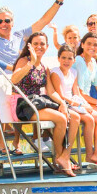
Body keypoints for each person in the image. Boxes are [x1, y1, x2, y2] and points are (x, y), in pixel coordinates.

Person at [11, 32, 77, 177]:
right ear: (30, 46)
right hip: (23, 104)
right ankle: (60, 158)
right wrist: (30, 63)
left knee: (65, 115)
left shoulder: (44, 67)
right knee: (60, 119)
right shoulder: (24, 60)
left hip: (36, 102)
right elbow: (14, 80)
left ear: (47, 47)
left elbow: (51, 91)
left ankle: (60, 158)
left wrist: (62, 103)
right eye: (36, 44)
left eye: (42, 44)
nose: (39, 47)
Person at [50, 44, 97, 171]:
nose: (66, 61)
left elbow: (77, 92)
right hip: (63, 104)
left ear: (73, 60)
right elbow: (61, 95)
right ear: (58, 58)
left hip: (75, 102)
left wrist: (83, 104)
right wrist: (78, 104)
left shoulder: (73, 72)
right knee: (81, 117)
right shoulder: (55, 72)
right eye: (63, 58)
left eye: (70, 59)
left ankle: (92, 155)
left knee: (96, 118)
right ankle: (66, 154)